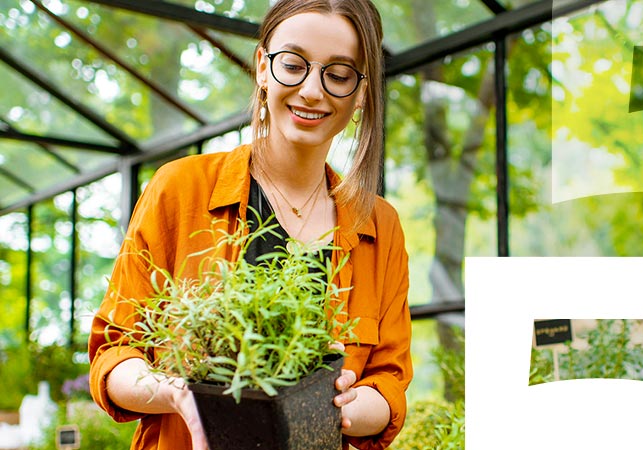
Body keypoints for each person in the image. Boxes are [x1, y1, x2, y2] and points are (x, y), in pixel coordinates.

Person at [87, 1, 413, 449]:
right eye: (293, 65)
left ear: (360, 93)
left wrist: (346, 409)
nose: (312, 91)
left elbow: (388, 382)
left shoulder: (380, 224)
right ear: (262, 67)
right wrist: (181, 395)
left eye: (338, 75)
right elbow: (116, 352)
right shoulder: (181, 189)